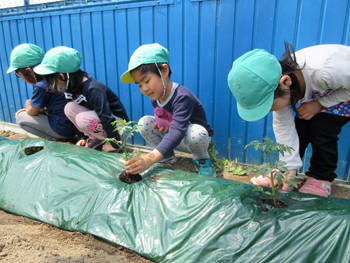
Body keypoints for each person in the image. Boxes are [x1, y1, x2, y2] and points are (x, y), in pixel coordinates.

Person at [227, 42, 350, 197]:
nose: (270, 111)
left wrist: (320, 103)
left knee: (322, 130)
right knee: (301, 126)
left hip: (344, 93)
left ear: (286, 82)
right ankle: (284, 169)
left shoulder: (325, 71)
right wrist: (290, 167)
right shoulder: (276, 81)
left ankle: (321, 178)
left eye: (269, 107)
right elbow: (283, 126)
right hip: (319, 91)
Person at [120, 43, 215, 176]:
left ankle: (202, 160)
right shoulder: (155, 97)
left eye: (146, 81)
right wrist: (163, 123)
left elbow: (178, 130)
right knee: (144, 122)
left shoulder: (182, 96)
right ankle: (167, 156)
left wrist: (149, 159)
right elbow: (170, 122)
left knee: (196, 132)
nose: (144, 89)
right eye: (139, 85)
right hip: (176, 138)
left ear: (164, 71)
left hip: (194, 141)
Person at [33, 46, 129, 152]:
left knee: (82, 118)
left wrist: (114, 143)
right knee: (69, 108)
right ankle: (94, 138)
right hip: (97, 120)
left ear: (61, 76)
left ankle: (116, 141)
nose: (49, 84)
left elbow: (106, 116)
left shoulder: (93, 89)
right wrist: (82, 137)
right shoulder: (69, 88)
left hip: (116, 123)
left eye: (50, 79)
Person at [7, 43, 75, 141]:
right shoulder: (59, 76)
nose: (20, 77)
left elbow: (32, 113)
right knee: (29, 102)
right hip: (76, 125)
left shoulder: (41, 85)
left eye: (18, 74)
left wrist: (27, 110)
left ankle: (57, 139)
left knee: (21, 117)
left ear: (29, 71)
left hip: (64, 129)